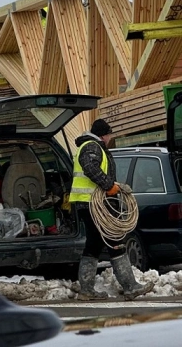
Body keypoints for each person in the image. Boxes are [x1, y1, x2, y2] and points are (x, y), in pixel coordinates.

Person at [68, 118, 153, 300]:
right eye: (109, 135)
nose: (109, 138)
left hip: (86, 203)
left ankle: (86, 290)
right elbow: (90, 167)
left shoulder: (89, 146)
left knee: (94, 244)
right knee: (115, 240)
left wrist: (113, 187)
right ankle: (130, 286)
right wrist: (109, 186)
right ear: (103, 135)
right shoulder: (92, 147)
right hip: (93, 203)